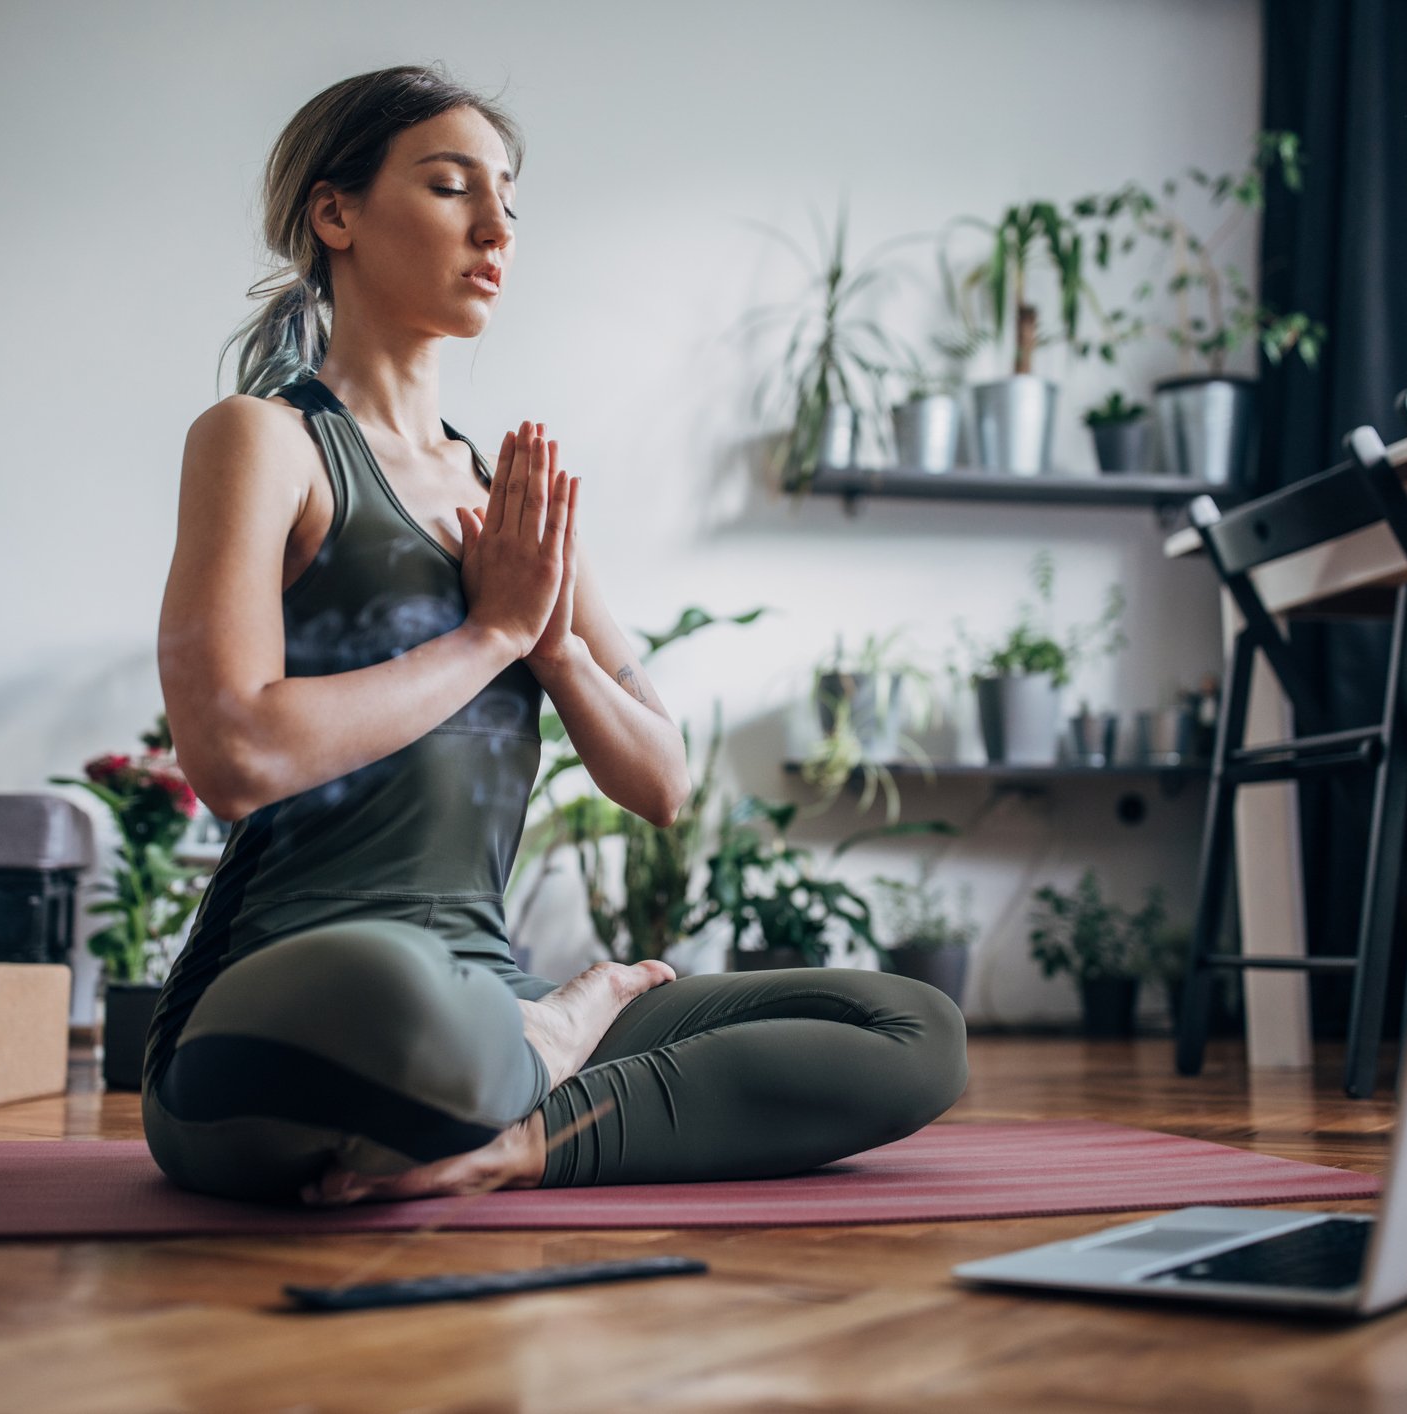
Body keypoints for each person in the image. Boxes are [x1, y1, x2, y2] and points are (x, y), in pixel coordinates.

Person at [144, 63, 966, 1207]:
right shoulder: (265, 441)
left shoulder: (510, 506)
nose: (496, 228)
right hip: (292, 997)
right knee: (398, 990)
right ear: (335, 213)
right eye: (451, 187)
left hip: (483, 992)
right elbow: (236, 753)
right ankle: (547, 1044)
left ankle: (522, 1139)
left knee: (910, 1024)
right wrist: (490, 635)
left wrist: (556, 646)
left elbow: (661, 781)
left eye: (510, 203)